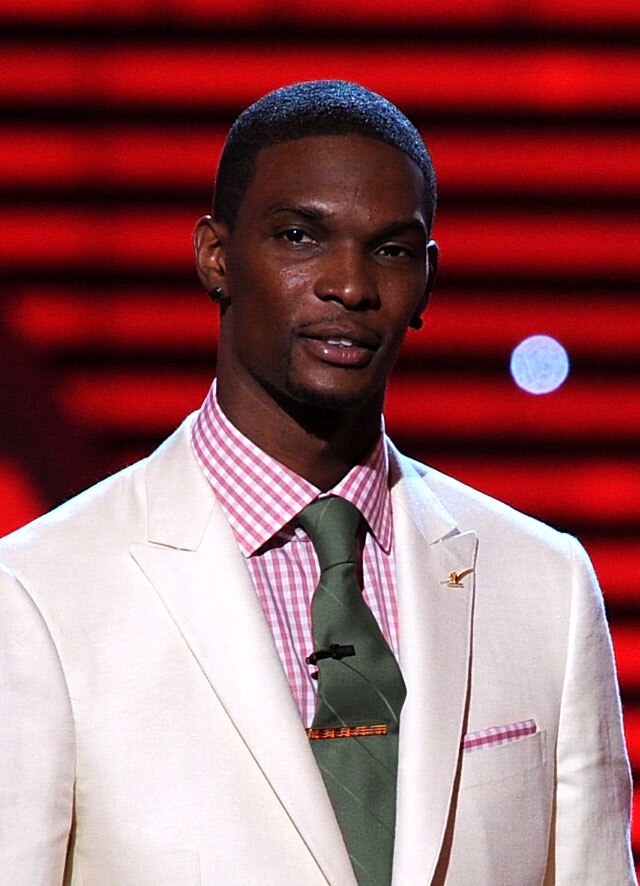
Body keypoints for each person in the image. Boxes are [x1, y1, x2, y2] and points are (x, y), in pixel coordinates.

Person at [0, 81, 635, 886]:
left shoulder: (543, 584)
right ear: (216, 257)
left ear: (428, 281)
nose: (350, 285)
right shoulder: (41, 592)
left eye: (391, 250)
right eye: (300, 236)